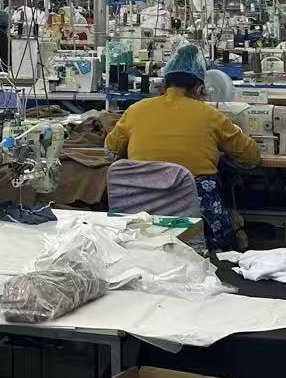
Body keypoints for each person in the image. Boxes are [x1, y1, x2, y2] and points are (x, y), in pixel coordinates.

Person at [106, 45, 262, 251]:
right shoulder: (211, 115)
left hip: (140, 228)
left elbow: (110, 152)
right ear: (200, 89)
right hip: (198, 228)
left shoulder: (135, 111)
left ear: (164, 84)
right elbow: (251, 157)